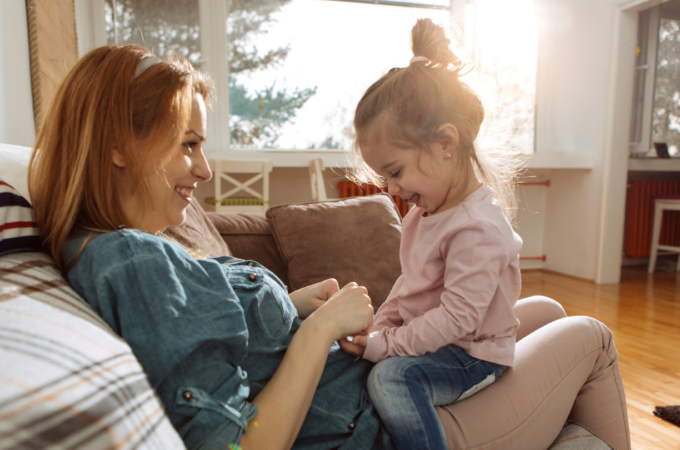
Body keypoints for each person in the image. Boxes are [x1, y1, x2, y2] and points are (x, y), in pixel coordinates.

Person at [27, 44, 631, 450]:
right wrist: (323, 331)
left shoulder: (133, 254)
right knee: (592, 337)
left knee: (547, 311)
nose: (205, 169)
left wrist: (293, 307)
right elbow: (240, 441)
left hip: (380, 378)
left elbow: (227, 345)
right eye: (187, 144)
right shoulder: (130, 261)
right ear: (117, 145)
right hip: (388, 415)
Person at [339, 19, 520, 450]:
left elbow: (459, 318)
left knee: (391, 376)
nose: (393, 190)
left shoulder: (476, 226)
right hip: (444, 340)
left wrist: (388, 347)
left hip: (473, 355)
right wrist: (378, 328)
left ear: (445, 143)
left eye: (395, 172)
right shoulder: (425, 214)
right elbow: (411, 283)